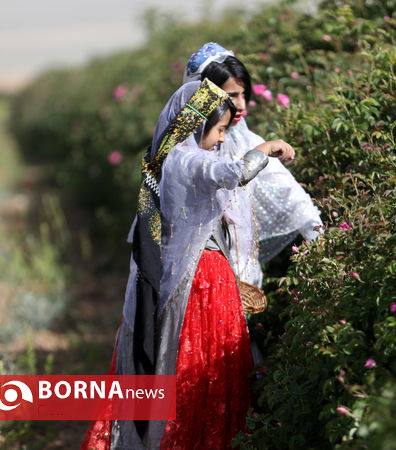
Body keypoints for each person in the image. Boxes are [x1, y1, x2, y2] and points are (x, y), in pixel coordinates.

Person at [82, 79, 294, 449]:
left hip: (210, 278)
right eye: (220, 130)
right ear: (197, 125)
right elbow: (233, 174)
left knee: (208, 365)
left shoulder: (182, 159)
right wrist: (266, 148)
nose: (223, 139)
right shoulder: (184, 160)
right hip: (202, 283)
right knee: (200, 367)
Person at [183, 42, 323, 288]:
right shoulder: (186, 149)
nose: (241, 106)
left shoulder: (246, 140)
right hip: (197, 274)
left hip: (241, 272)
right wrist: (263, 151)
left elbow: (289, 193)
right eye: (231, 96)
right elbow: (229, 175)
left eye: (243, 95)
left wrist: (318, 238)